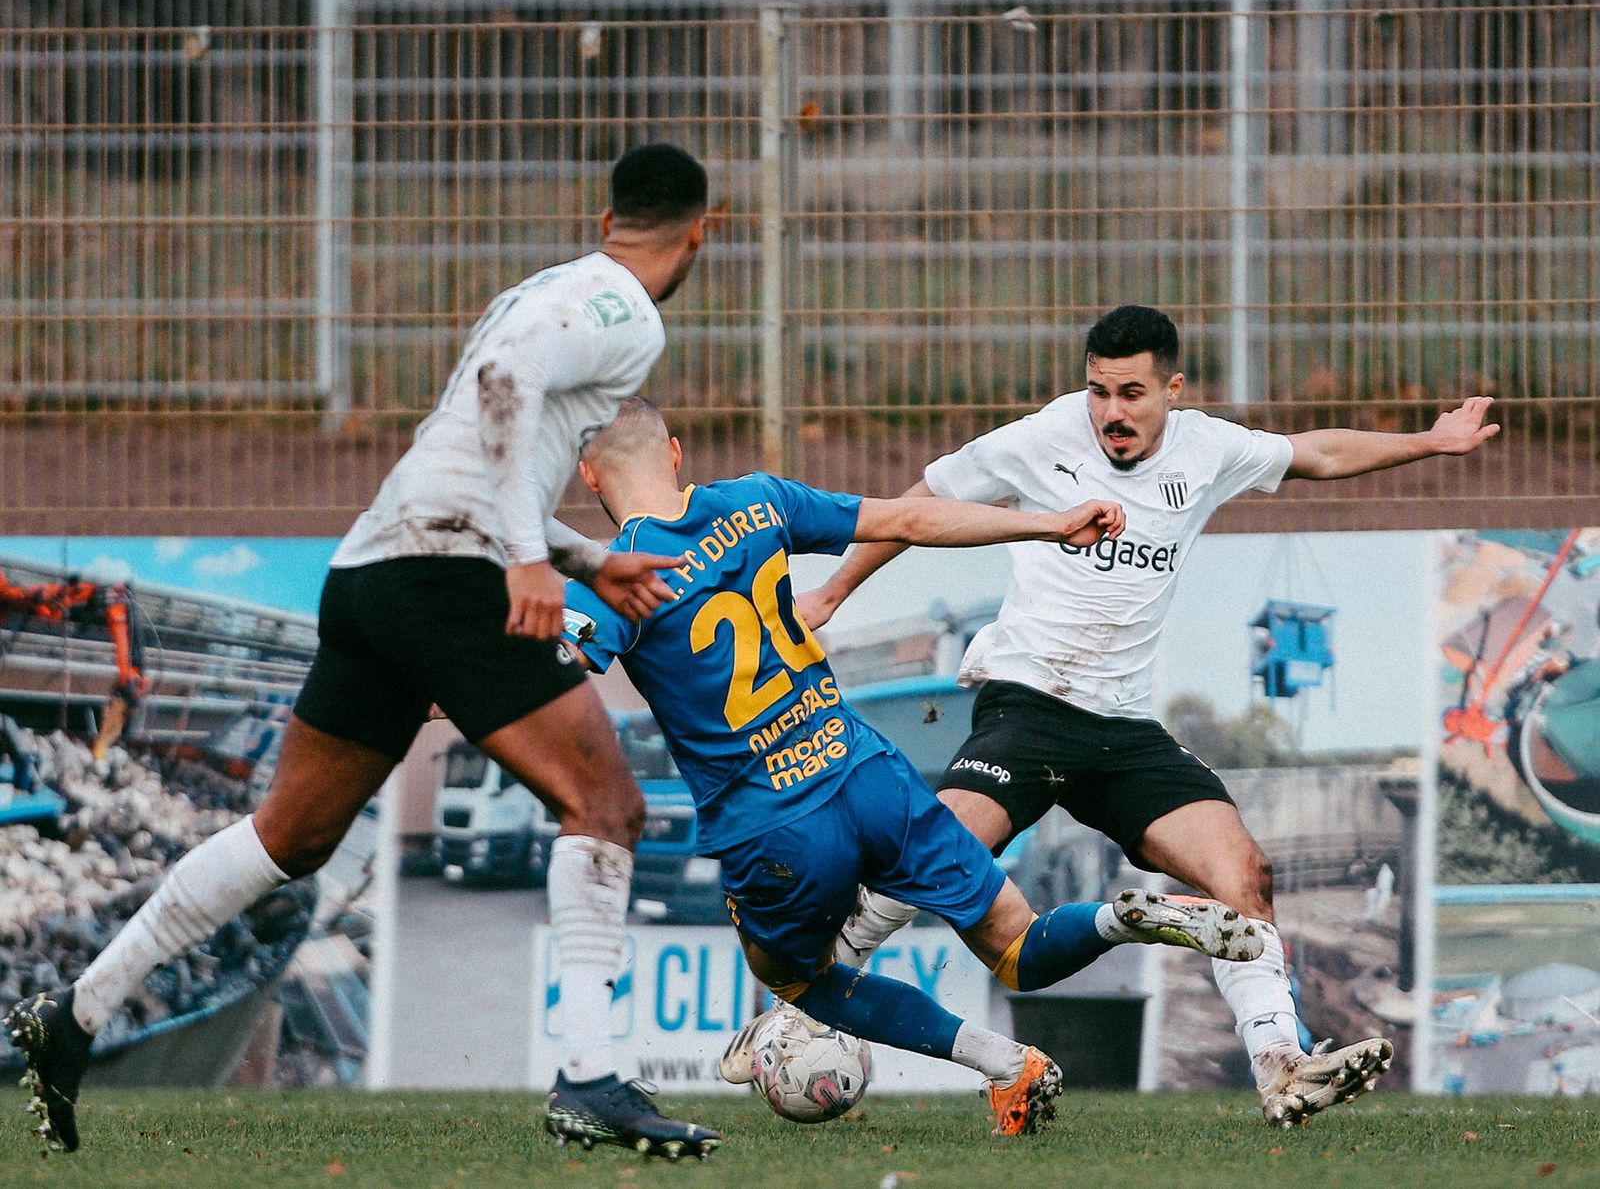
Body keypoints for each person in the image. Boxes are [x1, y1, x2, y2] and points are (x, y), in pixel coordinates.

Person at [7, 144, 723, 1160]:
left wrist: (585, 557)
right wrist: (529, 561)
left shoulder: (547, 288)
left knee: (290, 836)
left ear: (606, 217)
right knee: (607, 805)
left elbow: (474, 446)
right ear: (702, 231)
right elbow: (504, 382)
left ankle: (77, 1010)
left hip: (372, 571)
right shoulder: (627, 311)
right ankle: (592, 1077)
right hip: (448, 573)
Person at [786, 304, 1501, 1128]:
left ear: (1172, 389)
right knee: (933, 851)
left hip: (1122, 731)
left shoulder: (1207, 448)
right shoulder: (1041, 438)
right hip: (1030, 705)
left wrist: (1431, 442)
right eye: (1099, 392)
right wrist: (833, 591)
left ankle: (1281, 1064)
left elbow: (1317, 453)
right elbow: (922, 503)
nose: (1111, 413)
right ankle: (801, 1004)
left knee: (1244, 875)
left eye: (1131, 393)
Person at [559, 397, 1266, 1138]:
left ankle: (1004, 1061)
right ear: (674, 453)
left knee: (795, 981)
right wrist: (1049, 523)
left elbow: (545, 680)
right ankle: (1119, 919)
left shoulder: (609, 580)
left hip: (771, 820)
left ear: (588, 476)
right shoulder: (757, 502)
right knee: (1019, 948)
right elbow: (911, 518)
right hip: (867, 772)